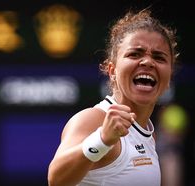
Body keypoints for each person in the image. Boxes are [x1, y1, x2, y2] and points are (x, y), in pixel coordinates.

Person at [47, 8, 179, 186]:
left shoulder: (147, 132)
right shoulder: (94, 119)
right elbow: (56, 179)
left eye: (159, 57)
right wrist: (102, 139)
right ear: (112, 71)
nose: (148, 62)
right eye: (135, 54)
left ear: (169, 76)